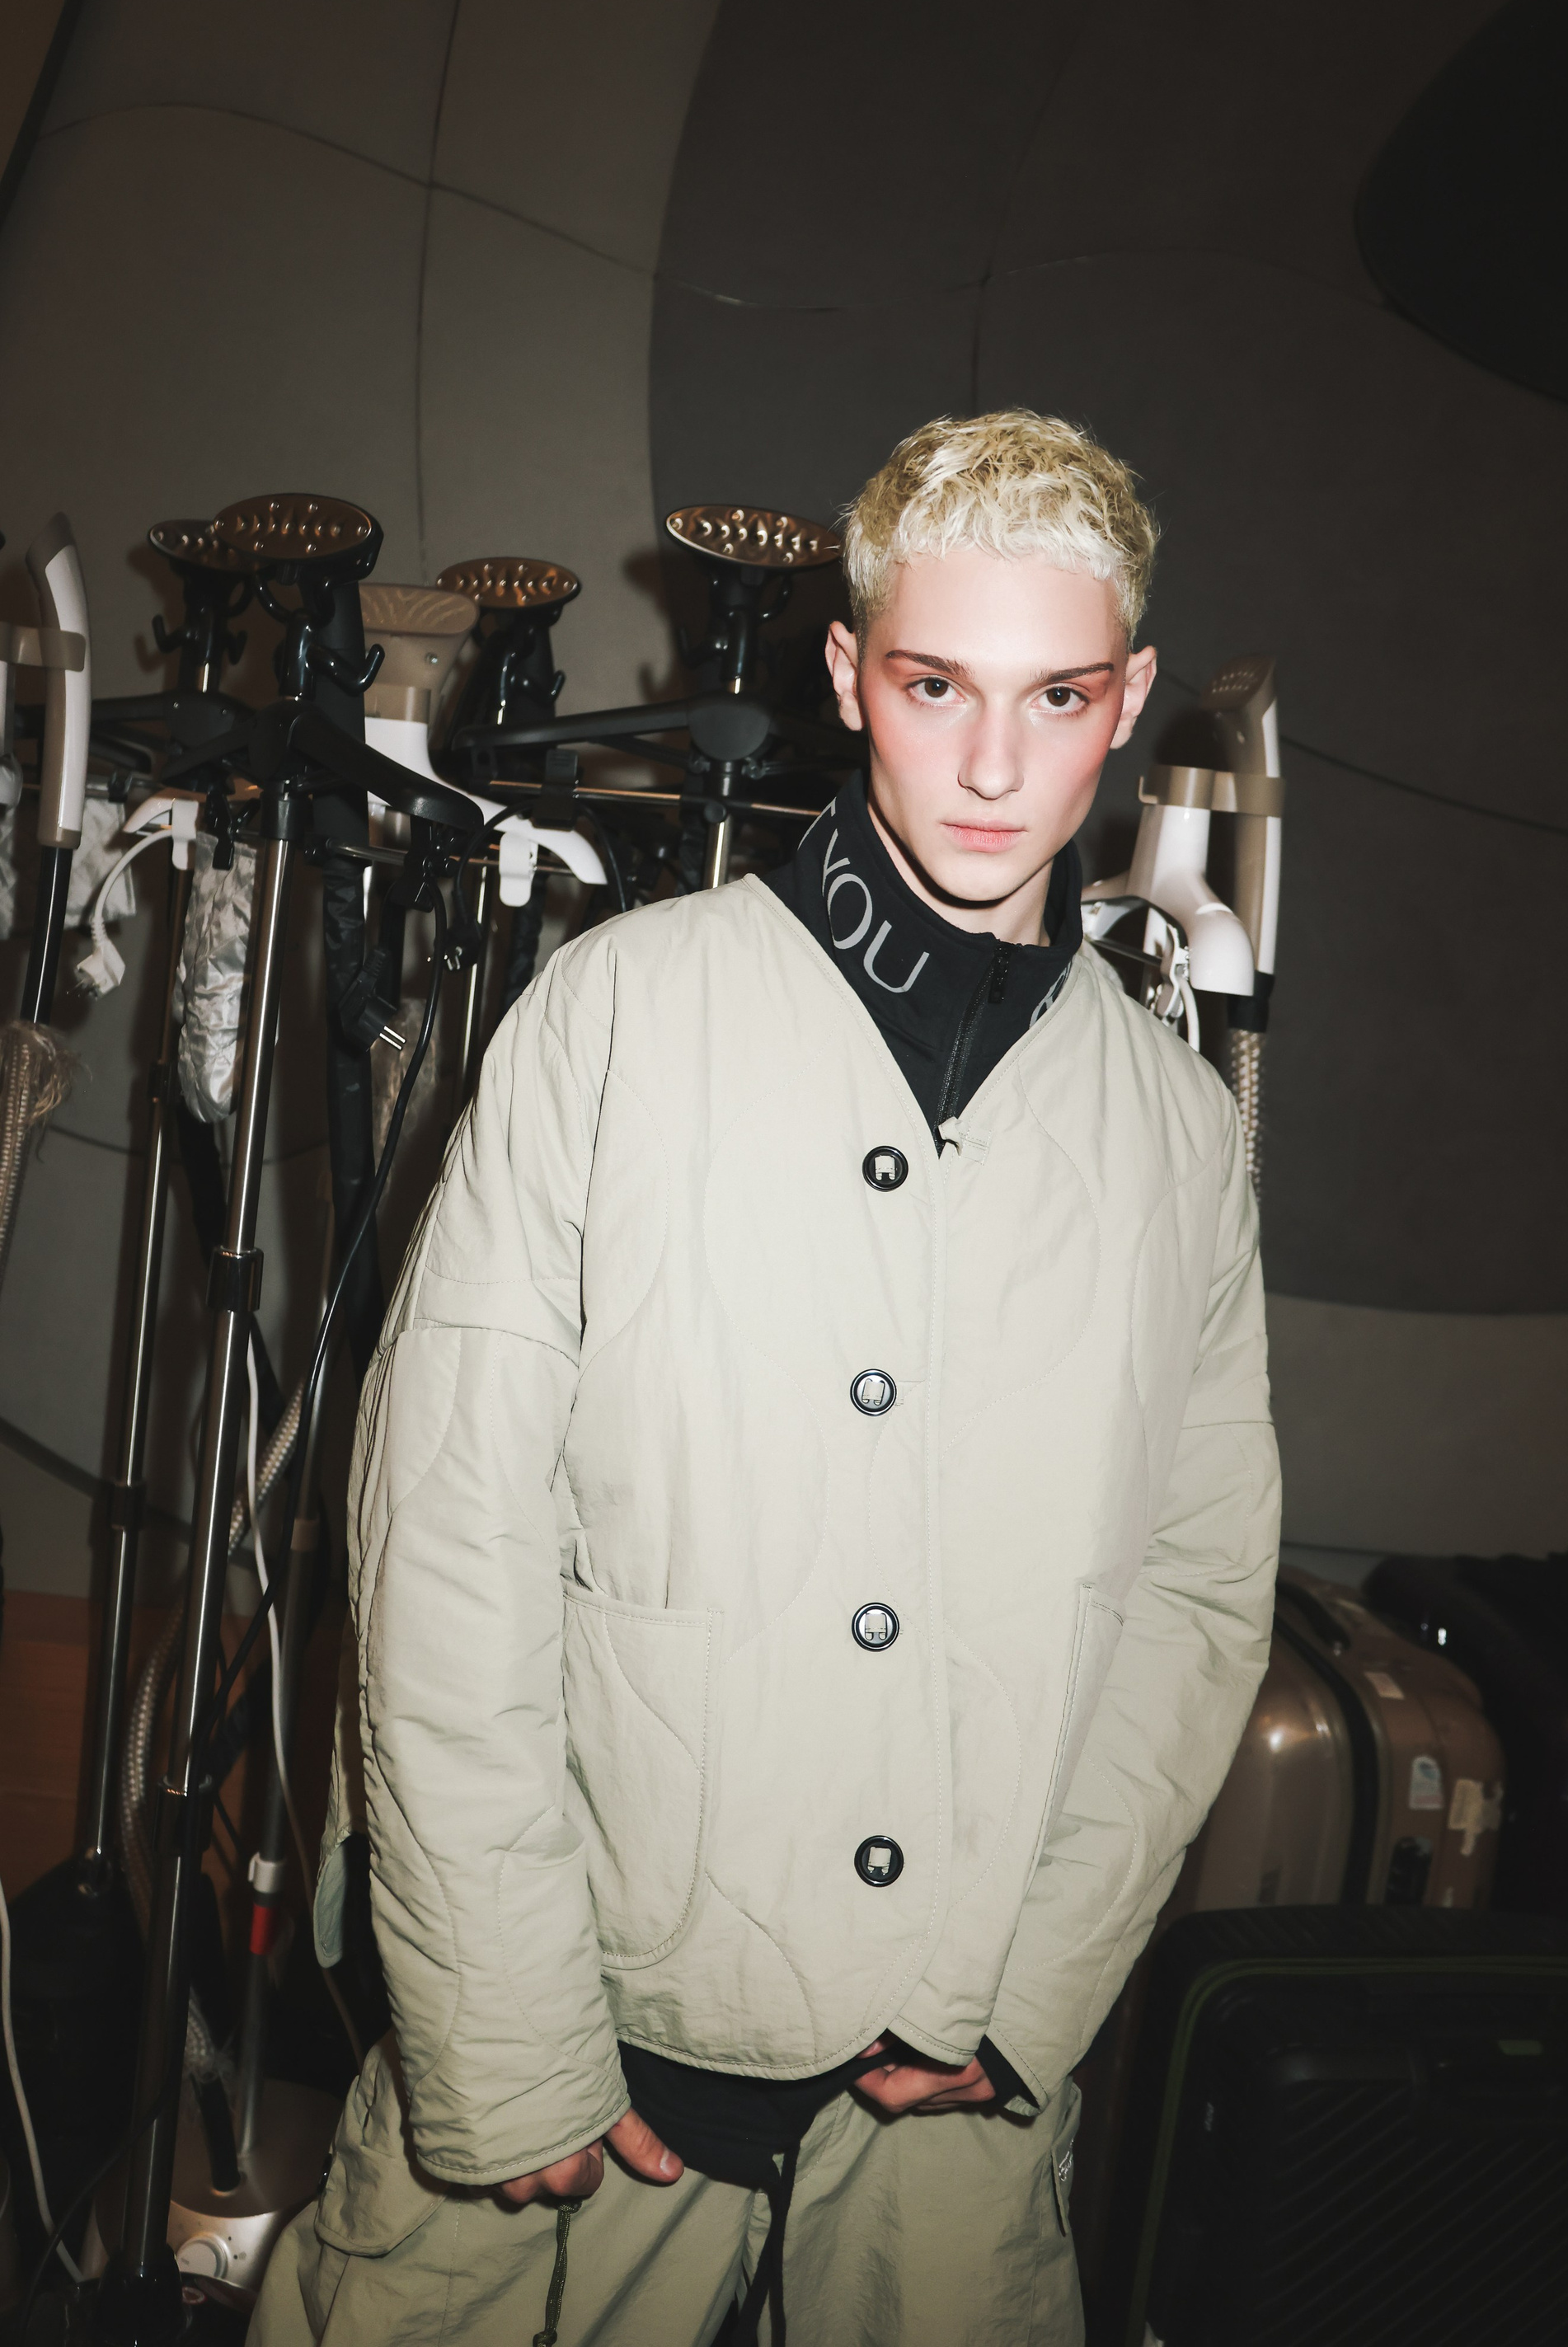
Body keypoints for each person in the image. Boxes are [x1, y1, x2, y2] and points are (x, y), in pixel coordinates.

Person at [253, 410, 1280, 2346]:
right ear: (847, 671)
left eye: (1058, 697)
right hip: (587, 2064)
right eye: (936, 685)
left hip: (948, 2131)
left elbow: (1201, 1585)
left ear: (1131, 698)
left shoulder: (1175, 1129)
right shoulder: (619, 1017)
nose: (994, 767)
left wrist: (1037, 1994)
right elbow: (445, 1539)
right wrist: (502, 2039)